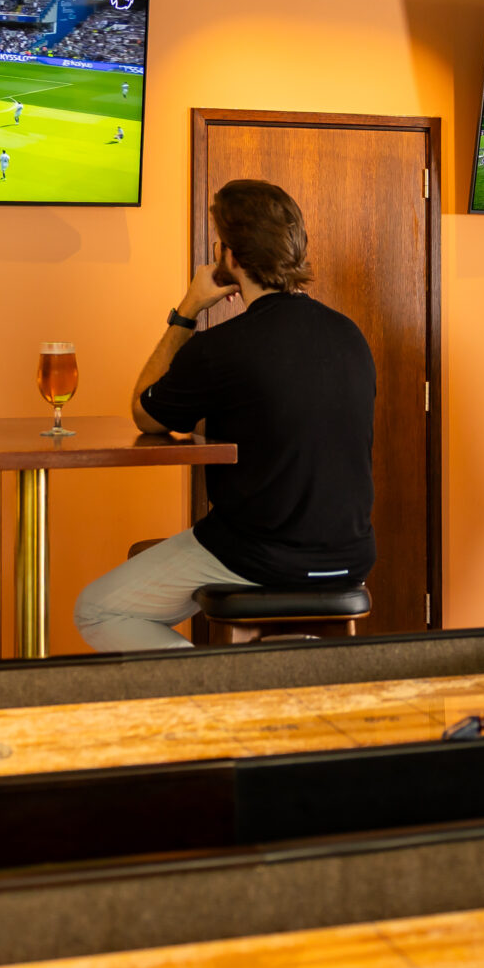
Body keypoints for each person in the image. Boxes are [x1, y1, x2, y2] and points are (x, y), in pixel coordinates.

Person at [75, 179, 376, 652]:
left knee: (97, 609)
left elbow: (145, 413)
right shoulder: (349, 336)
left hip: (259, 555)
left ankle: (214, 686)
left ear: (230, 257)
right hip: (350, 558)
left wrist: (189, 308)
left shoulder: (223, 348)